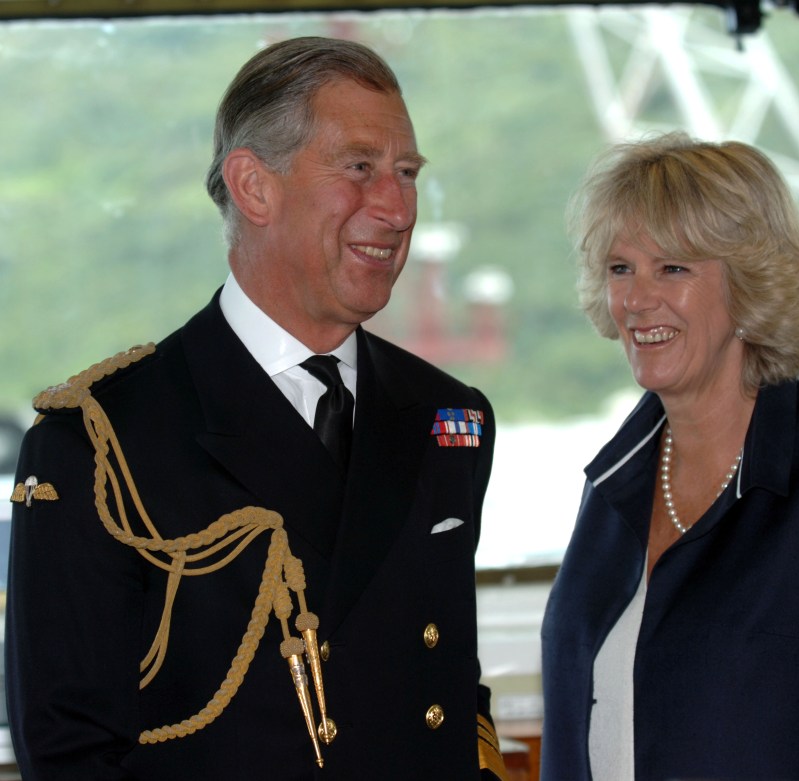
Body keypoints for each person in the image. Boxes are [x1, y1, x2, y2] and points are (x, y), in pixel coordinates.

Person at [6, 36, 506, 781]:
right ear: (254, 186)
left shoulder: (447, 417)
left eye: (406, 173)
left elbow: (443, 694)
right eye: (360, 168)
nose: (399, 208)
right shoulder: (101, 442)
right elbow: (71, 747)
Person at [540, 132, 799, 780]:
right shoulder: (612, 483)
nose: (636, 299)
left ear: (750, 282)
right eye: (620, 267)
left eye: (671, 267)